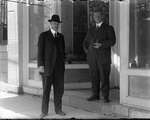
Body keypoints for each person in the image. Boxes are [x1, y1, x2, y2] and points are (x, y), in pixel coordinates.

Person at [83, 10, 116, 103]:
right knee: (94, 77)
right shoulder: (91, 29)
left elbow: (112, 41)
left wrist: (101, 44)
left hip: (103, 58)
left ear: (102, 17)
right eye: (94, 16)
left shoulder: (108, 28)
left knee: (104, 77)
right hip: (92, 58)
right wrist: (87, 52)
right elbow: (85, 42)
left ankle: (105, 96)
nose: (96, 17)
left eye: (98, 15)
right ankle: (95, 95)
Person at [38, 14, 66, 118]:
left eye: (57, 23)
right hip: (47, 68)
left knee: (59, 90)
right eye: (54, 23)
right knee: (46, 90)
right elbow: (40, 52)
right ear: (50, 23)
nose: (56, 25)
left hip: (59, 69)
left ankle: (58, 110)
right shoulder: (43, 35)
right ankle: (44, 112)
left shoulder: (61, 37)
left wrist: (63, 64)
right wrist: (40, 65)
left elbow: (63, 53)